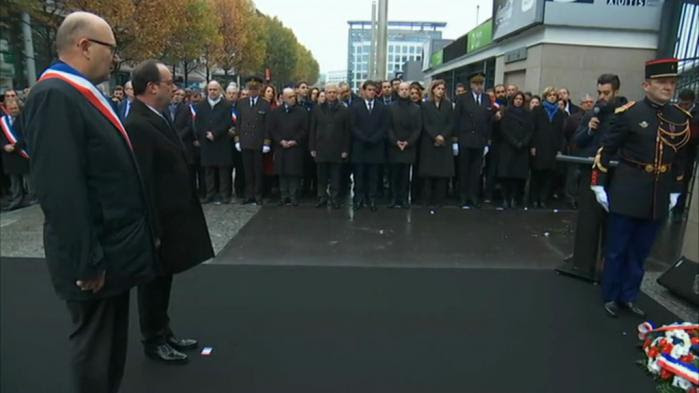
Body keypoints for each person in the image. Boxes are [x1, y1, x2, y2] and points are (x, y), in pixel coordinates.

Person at [22, 12, 159, 393]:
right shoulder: (54, 96)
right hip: (96, 259)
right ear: (84, 46)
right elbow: (59, 188)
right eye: (110, 49)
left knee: (109, 351)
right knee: (96, 353)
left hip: (111, 252)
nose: (114, 59)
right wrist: (87, 260)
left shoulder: (77, 94)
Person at [125, 60, 214, 363]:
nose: (173, 87)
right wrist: (153, 229)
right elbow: (143, 180)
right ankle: (153, 340)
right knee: (152, 283)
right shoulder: (137, 124)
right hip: (158, 221)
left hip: (172, 216)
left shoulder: (157, 116)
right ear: (151, 87)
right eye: (168, 82)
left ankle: (164, 331)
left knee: (164, 279)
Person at [591, 58, 691, 318]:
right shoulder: (630, 114)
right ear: (647, 85)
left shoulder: (679, 117)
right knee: (617, 249)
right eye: (662, 83)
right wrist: (599, 185)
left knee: (640, 251)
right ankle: (611, 295)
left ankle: (629, 295)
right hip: (628, 189)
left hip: (658, 193)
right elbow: (606, 150)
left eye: (672, 83)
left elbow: (681, 157)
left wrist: (676, 189)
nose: (668, 87)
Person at [453, 72, 493, 208]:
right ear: (471, 85)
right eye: (476, 84)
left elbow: (489, 121)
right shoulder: (462, 98)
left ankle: (473, 196)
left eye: (481, 84)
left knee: (476, 171)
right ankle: (463, 196)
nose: (479, 87)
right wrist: (455, 141)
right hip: (465, 139)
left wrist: (487, 141)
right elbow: (456, 120)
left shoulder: (487, 99)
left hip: (480, 140)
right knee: (463, 170)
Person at [310, 84, 351, 209]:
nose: (331, 94)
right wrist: (312, 147)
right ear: (325, 94)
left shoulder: (344, 109)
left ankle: (334, 198)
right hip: (321, 147)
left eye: (334, 92)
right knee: (321, 176)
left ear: (337, 93)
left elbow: (347, 131)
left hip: (337, 148)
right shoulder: (317, 109)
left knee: (335, 176)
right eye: (329, 92)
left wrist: (345, 149)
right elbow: (312, 129)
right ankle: (322, 197)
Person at [350, 80, 389, 211]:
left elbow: (384, 126)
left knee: (373, 176)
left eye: (374, 90)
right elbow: (353, 126)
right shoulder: (355, 106)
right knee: (359, 175)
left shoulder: (382, 107)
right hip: (360, 146)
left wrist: (374, 138)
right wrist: (364, 138)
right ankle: (358, 199)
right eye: (369, 90)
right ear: (364, 91)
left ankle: (372, 199)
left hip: (376, 146)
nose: (372, 92)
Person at [266, 88, 308, 206]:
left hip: (295, 147)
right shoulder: (276, 112)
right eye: (290, 97)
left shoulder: (302, 112)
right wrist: (280, 141)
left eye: (294, 96)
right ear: (283, 98)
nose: (293, 99)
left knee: (294, 173)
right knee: (282, 172)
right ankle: (284, 196)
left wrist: (295, 141)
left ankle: (293, 196)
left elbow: (305, 129)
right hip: (281, 147)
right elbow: (272, 129)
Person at [195, 81, 233, 204]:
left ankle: (224, 195)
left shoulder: (226, 105)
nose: (212, 92)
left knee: (223, 170)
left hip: (221, 141)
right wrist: (206, 134)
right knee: (208, 170)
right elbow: (198, 123)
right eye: (210, 89)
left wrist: (215, 134)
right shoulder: (201, 105)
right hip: (207, 142)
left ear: (219, 90)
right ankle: (210, 194)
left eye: (215, 89)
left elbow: (227, 122)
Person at [419, 80, 454, 212]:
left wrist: (443, 136)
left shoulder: (448, 105)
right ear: (433, 90)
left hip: (444, 142)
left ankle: (440, 200)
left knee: (442, 174)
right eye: (438, 88)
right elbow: (425, 123)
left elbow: (451, 123)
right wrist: (435, 136)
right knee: (428, 174)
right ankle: (426, 200)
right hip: (429, 142)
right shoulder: (426, 105)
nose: (441, 91)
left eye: (442, 88)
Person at [235, 78, 271, 205]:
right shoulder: (241, 103)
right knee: (247, 171)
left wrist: (266, 143)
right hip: (245, 142)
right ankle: (248, 194)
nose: (252, 91)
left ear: (259, 90)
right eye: (250, 89)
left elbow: (267, 125)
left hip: (258, 142)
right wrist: (237, 140)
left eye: (255, 89)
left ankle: (257, 195)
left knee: (257, 170)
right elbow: (238, 123)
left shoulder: (265, 104)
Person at [529, 86, 566, 208]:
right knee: (537, 174)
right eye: (550, 95)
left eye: (554, 95)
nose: (552, 97)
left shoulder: (560, 113)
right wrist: (533, 145)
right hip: (539, 146)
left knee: (548, 174)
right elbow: (533, 129)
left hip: (552, 147)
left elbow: (561, 132)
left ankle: (543, 199)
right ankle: (534, 199)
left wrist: (559, 148)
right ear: (545, 96)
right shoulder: (538, 110)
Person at [386, 82, 421, 208]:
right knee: (393, 174)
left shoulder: (416, 108)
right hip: (394, 146)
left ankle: (404, 199)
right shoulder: (390, 107)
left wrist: (408, 142)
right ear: (398, 91)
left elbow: (418, 128)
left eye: (407, 89)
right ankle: (394, 198)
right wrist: (395, 141)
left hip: (408, 146)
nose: (404, 92)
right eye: (402, 89)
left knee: (406, 175)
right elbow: (388, 127)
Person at [497, 92, 533, 209]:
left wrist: (524, 142)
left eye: (520, 99)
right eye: (516, 99)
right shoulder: (506, 112)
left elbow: (530, 130)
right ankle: (505, 198)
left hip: (522, 149)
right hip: (508, 147)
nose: (518, 101)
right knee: (506, 175)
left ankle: (514, 198)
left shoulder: (527, 114)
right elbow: (503, 129)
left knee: (518, 176)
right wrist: (514, 142)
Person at [562, 93, 595, 208]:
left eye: (591, 102)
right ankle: (571, 199)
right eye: (586, 102)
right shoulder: (573, 118)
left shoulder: (596, 117)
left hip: (590, 152)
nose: (589, 104)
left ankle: (583, 200)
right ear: (581, 104)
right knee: (573, 176)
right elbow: (567, 133)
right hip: (576, 152)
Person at [0, 99, 31, 210]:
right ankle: (17, 199)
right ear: (7, 109)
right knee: (14, 180)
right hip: (8, 155)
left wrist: (15, 146)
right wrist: (4, 146)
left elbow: (27, 134)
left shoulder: (24, 119)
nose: (13, 110)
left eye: (15, 108)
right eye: (11, 109)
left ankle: (32, 196)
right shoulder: (2, 122)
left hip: (22, 152)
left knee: (28, 178)